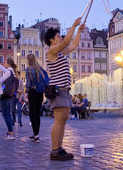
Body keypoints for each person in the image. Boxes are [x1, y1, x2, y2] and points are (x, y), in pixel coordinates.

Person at [45, 17, 85, 161]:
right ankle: (55, 150)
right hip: (58, 90)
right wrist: (73, 25)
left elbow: (73, 45)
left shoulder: (60, 52)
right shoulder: (51, 51)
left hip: (64, 90)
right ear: (51, 40)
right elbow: (68, 41)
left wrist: (79, 31)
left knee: (63, 120)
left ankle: (59, 149)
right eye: (58, 36)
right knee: (58, 120)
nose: (60, 38)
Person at [0, 58, 19, 139]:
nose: (4, 63)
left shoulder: (8, 72)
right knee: (7, 114)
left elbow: (0, 81)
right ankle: (10, 132)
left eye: (5, 62)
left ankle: (11, 133)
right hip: (9, 94)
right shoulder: (11, 71)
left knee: (5, 114)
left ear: (8, 63)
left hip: (4, 94)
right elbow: (2, 67)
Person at [25, 53, 46, 143]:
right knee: (37, 113)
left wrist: (26, 91)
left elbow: (28, 84)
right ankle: (36, 134)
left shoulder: (28, 69)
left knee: (32, 113)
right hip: (40, 93)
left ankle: (36, 135)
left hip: (32, 92)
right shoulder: (40, 68)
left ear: (28, 60)